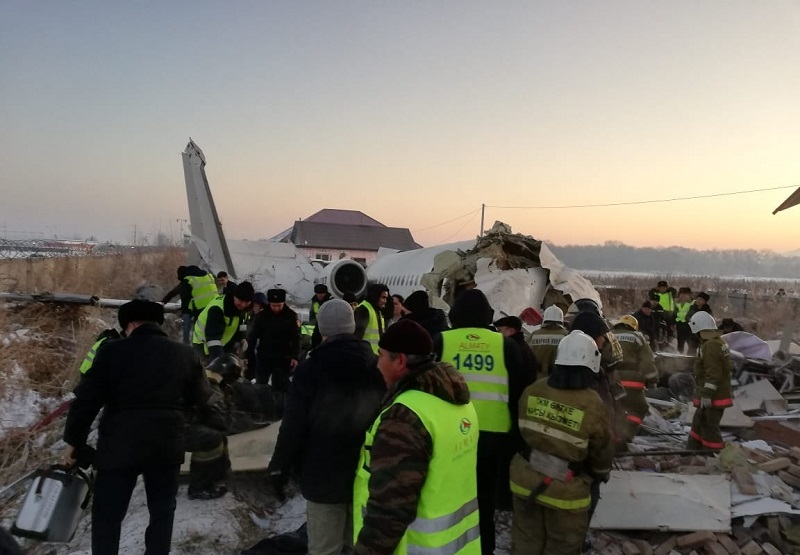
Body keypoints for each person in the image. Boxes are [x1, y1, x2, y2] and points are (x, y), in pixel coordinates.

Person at [63, 300, 212, 555]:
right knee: (162, 513)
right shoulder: (185, 354)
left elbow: (86, 402)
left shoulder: (111, 352)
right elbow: (201, 397)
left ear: (129, 325)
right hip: (166, 445)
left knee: (108, 517)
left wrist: (73, 441)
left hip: (119, 447)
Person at [353, 319, 480, 555]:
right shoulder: (460, 404)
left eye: (381, 356)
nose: (377, 364)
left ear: (400, 360)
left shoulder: (404, 417)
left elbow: (390, 510)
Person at [268, 300, 385, 555]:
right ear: (353, 327)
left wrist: (280, 465)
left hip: (323, 473)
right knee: (358, 546)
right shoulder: (377, 366)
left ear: (322, 330)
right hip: (366, 473)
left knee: (324, 548)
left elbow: (293, 424)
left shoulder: (310, 369)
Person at [433, 288, 532, 555]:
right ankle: (483, 548)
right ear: (487, 314)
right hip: (493, 436)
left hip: (449, 434)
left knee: (450, 497)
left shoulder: (441, 341)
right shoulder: (506, 345)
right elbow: (519, 392)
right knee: (484, 500)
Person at [509, 330, 613, 555]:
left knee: (526, 541)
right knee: (562, 546)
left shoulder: (533, 389)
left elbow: (520, 430)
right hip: (567, 492)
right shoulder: (592, 403)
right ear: (591, 363)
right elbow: (602, 450)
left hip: (524, 479)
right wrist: (600, 473)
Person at [246, 288, 300, 415]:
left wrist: (295, 356)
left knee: (281, 386)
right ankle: (259, 410)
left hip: (283, 357)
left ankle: (281, 411)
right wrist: (248, 355)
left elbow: (296, 338)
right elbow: (253, 337)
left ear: (283, 303)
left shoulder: (291, 316)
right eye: (273, 305)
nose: (276, 308)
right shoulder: (261, 316)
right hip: (264, 356)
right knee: (261, 385)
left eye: (279, 305)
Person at [686, 311, 733, 452]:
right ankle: (692, 452)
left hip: (714, 396)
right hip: (715, 394)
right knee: (698, 424)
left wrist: (707, 394)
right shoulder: (717, 341)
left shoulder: (710, 346)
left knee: (709, 427)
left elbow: (713, 374)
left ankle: (712, 456)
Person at [610, 315, 658, 448]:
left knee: (615, 409)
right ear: (633, 327)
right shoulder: (637, 337)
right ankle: (624, 439)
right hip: (632, 382)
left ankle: (611, 438)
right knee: (638, 409)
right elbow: (647, 362)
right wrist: (652, 379)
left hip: (611, 380)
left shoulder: (608, 335)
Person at [192, 281, 254, 361]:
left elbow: (242, 324)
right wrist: (219, 362)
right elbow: (213, 339)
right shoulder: (218, 309)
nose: (243, 305)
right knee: (206, 370)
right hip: (203, 344)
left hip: (222, 342)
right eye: (241, 301)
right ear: (234, 296)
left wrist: (242, 338)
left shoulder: (244, 310)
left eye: (246, 302)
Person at [162, 265, 218, 343]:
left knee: (198, 333)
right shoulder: (208, 276)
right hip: (216, 306)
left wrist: (185, 313)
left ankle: (187, 345)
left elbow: (183, 299)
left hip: (201, 309)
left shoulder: (188, 280)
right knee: (213, 332)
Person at [527, 305, 569, 379]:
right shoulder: (566, 335)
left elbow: (525, 354)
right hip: (558, 379)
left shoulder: (534, 334)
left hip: (536, 378)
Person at [495, 315, 540, 380]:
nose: (498, 334)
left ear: (511, 331)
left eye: (500, 330)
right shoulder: (523, 346)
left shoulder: (512, 348)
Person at [354, 283, 390, 354]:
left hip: (375, 355)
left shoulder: (377, 310)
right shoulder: (363, 310)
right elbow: (356, 337)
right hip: (365, 355)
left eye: (386, 298)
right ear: (375, 296)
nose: (385, 301)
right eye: (383, 297)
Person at [674, 287, 694, 354]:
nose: (683, 296)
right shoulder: (677, 303)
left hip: (689, 326)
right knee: (680, 344)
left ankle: (690, 357)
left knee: (691, 343)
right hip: (679, 325)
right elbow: (674, 314)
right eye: (681, 294)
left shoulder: (693, 303)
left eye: (685, 294)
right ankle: (680, 357)